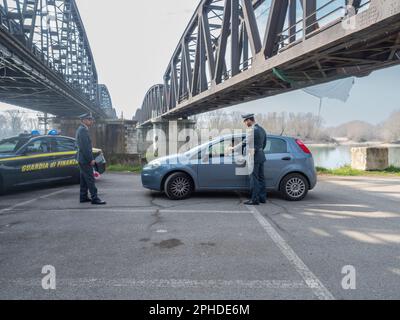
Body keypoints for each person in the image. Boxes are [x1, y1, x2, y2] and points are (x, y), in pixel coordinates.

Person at [232, 114, 267, 206]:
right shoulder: (262, 129)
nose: (245, 123)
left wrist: (233, 148)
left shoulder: (252, 130)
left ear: (249, 120)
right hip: (261, 156)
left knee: (254, 179)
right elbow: (264, 144)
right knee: (261, 178)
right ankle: (262, 198)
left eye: (245, 121)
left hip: (253, 157)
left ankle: (255, 199)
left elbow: (245, 142)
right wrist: (258, 150)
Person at [75, 113, 106, 205]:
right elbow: (85, 147)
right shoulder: (83, 130)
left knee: (84, 179)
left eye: (91, 119)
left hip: (82, 159)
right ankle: (95, 198)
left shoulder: (81, 129)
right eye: (89, 119)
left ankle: (83, 197)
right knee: (90, 179)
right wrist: (90, 159)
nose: (91, 121)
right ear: (84, 120)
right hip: (85, 160)